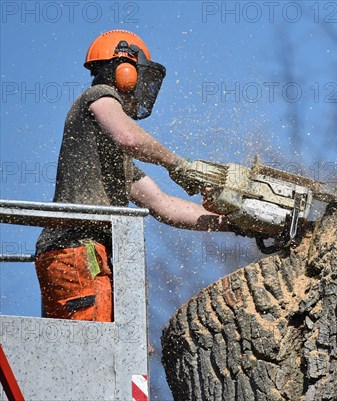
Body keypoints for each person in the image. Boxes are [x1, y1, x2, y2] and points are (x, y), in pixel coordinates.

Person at [35, 29, 231, 322]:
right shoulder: (98, 96)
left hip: (85, 255)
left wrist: (230, 223)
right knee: (97, 352)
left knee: (105, 354)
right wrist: (177, 164)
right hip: (76, 250)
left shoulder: (113, 161)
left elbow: (163, 206)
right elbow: (129, 137)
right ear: (125, 71)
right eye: (142, 79)